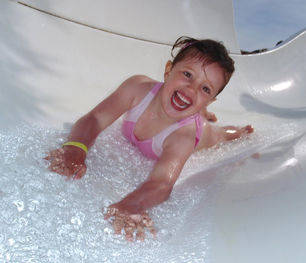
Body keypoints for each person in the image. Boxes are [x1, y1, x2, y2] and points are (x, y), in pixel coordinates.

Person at [45, 36, 254, 242]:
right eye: (188, 74)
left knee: (218, 135)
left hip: (201, 133)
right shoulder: (137, 89)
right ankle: (201, 110)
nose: (192, 88)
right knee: (188, 100)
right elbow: (95, 118)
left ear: (211, 99)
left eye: (205, 89)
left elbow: (162, 182)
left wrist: (133, 203)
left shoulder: (183, 136)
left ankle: (232, 129)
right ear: (168, 70)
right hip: (187, 108)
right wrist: (76, 148)